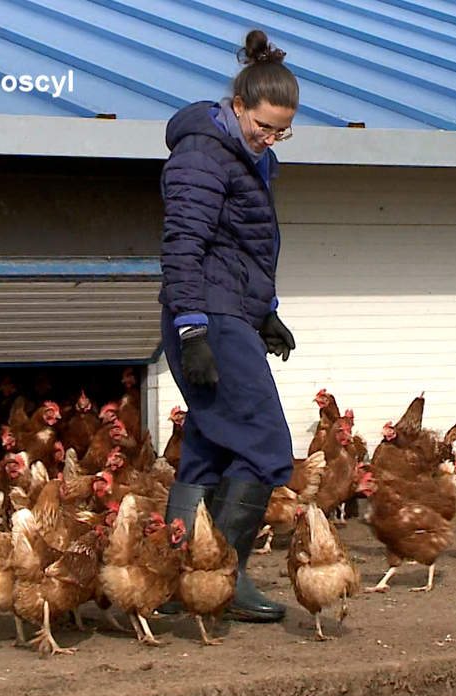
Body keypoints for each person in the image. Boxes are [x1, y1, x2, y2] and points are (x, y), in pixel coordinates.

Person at [157, 29, 298, 623]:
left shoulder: (246, 156)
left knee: (209, 452)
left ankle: (171, 579)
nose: (270, 138)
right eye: (263, 125)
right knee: (267, 448)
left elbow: (239, 247)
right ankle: (221, 578)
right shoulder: (203, 153)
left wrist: (263, 312)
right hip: (206, 316)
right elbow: (184, 244)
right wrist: (193, 330)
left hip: (225, 310)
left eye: (282, 131)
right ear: (238, 106)